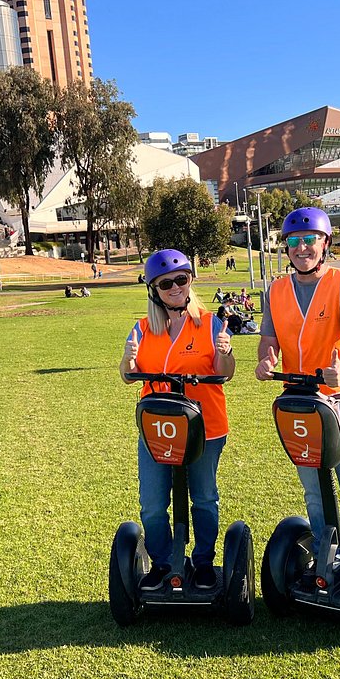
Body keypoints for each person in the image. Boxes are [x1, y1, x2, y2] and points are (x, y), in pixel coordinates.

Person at [255, 207, 340, 578]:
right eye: (294, 241)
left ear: (325, 243)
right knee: (314, 488)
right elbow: (269, 340)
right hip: (301, 400)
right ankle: (330, 558)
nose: (301, 248)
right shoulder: (276, 290)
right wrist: (266, 361)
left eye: (309, 240)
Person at [121, 249, 235, 591]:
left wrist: (225, 352)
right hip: (157, 428)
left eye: (181, 279)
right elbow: (129, 376)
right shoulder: (142, 329)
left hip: (205, 428)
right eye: (166, 283)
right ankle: (163, 562)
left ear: (190, 281)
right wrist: (127, 361)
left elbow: (224, 374)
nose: (175, 287)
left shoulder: (212, 323)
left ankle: (201, 562)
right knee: (153, 504)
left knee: (203, 498)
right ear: (154, 289)